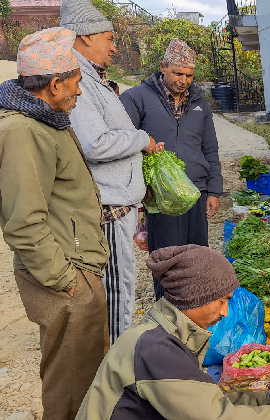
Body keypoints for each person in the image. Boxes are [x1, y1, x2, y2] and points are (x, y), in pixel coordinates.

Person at [0, 27, 109, 420]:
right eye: (76, 83)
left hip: (76, 271)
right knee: (71, 383)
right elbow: (23, 222)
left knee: (86, 374)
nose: (79, 92)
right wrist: (66, 281)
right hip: (64, 278)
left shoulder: (45, 120)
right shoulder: (22, 131)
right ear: (55, 84)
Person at [76, 245, 270, 420]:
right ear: (197, 299)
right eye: (223, 301)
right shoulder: (157, 349)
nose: (225, 313)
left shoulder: (164, 334)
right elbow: (215, 416)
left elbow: (206, 400)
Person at [61, 0, 163, 344]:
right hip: (109, 203)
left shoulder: (90, 75)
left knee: (122, 283)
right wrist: (141, 140)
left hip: (119, 200)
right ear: (86, 37)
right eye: (108, 38)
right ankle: (117, 365)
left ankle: (117, 356)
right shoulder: (77, 77)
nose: (114, 46)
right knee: (117, 287)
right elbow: (96, 143)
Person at [120, 39, 223, 301]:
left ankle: (195, 307)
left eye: (189, 75)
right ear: (163, 66)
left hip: (196, 191)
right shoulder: (136, 98)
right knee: (167, 255)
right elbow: (124, 142)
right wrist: (141, 189)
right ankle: (167, 309)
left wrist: (214, 189)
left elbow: (210, 148)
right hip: (160, 194)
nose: (183, 80)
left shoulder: (200, 103)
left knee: (197, 253)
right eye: (177, 73)